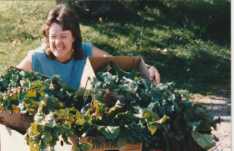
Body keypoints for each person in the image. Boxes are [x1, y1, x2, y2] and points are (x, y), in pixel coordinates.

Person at [17, 4, 160, 88]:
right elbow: (7, 79)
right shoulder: (37, 58)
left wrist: (148, 68)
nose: (58, 42)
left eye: (64, 36)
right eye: (53, 37)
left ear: (74, 37)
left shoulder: (86, 51)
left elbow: (121, 64)